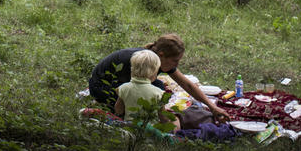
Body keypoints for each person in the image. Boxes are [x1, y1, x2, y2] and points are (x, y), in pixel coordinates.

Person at [88, 33, 229, 121]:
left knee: (157, 86)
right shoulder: (139, 60)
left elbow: (187, 85)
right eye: (175, 61)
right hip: (101, 87)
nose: (177, 65)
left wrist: (211, 107)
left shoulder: (156, 59)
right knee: (157, 88)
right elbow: (132, 88)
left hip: (122, 85)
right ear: (161, 55)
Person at [114, 50, 180, 131]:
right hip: (149, 132)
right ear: (153, 72)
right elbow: (163, 118)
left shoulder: (123, 88)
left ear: (132, 69)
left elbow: (118, 110)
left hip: (129, 129)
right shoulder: (158, 93)